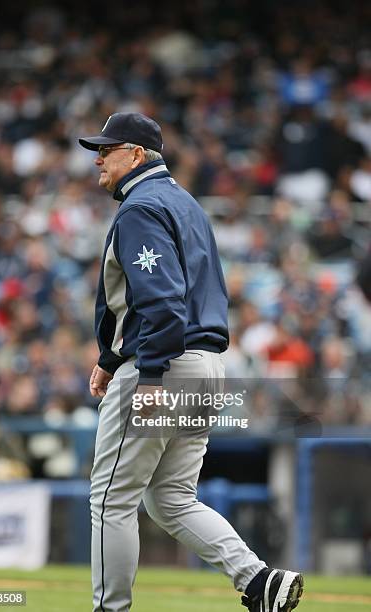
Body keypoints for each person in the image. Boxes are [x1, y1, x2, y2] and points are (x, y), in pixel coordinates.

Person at [79, 112, 303, 612]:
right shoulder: (186, 204)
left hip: (163, 367)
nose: (97, 157)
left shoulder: (140, 207)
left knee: (111, 499)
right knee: (171, 499)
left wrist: (149, 373)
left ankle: (109, 608)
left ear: (136, 155)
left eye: (107, 148)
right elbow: (171, 297)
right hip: (205, 368)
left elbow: (161, 301)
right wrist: (112, 358)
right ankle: (257, 578)